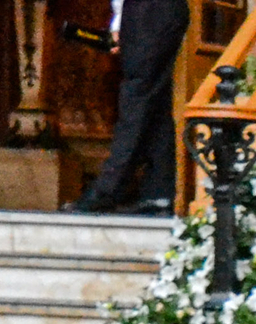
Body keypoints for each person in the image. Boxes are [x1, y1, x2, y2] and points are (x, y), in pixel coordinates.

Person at [70, 0, 187, 214]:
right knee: (155, 97)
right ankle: (158, 191)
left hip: (150, 11)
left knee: (137, 95)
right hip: (151, 12)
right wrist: (120, 22)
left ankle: (109, 189)